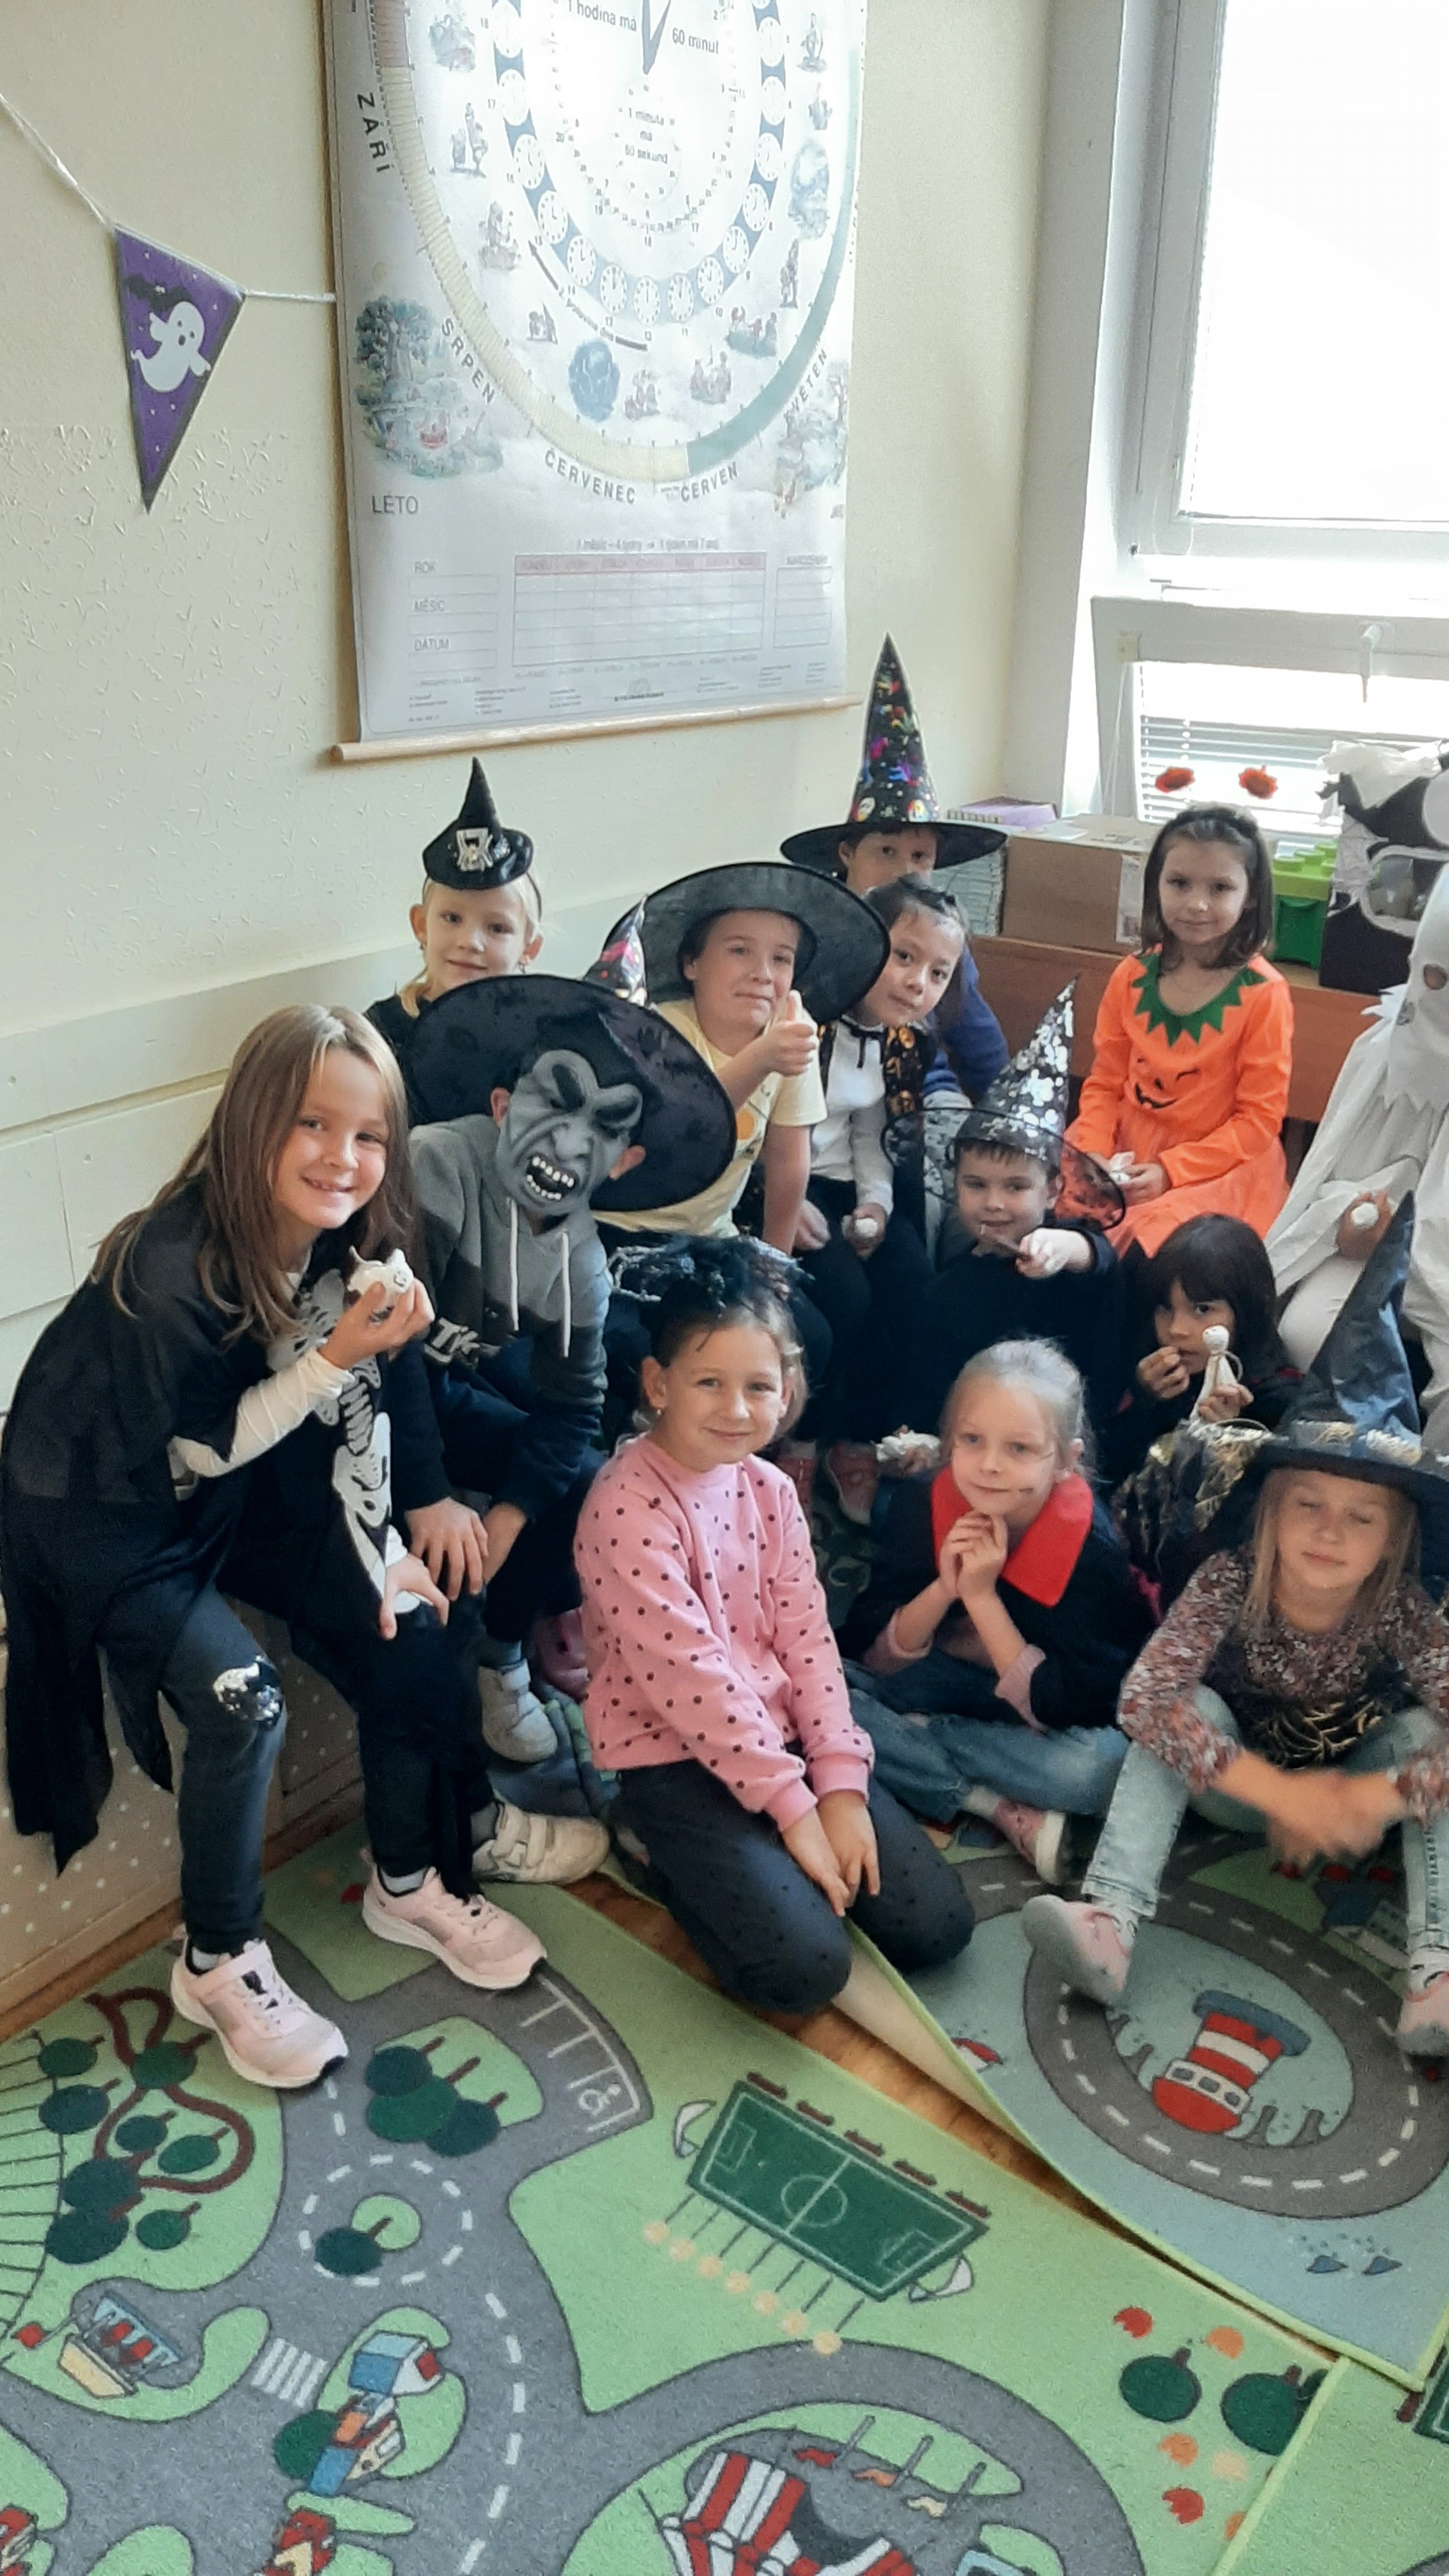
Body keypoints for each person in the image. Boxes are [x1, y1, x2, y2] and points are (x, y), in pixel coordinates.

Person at [0, 1007, 606, 2093]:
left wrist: (391, 1537)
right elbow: (204, 1443)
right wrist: (332, 1358)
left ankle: (408, 1878)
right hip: (107, 1503)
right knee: (245, 1699)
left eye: (369, 1134)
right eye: (311, 1123)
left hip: (235, 1483)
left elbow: (376, 1393)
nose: (342, 1156)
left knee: (417, 1609)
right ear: (249, 1122)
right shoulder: (167, 1264)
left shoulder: (355, 1234)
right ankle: (217, 1955)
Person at [1023, 1204, 1449, 2055]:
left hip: (1350, 1793)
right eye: (1308, 1507)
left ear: (1396, 1539)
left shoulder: (1400, 1605)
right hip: (1236, 1784)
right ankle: (1109, 1919)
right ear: (1269, 1513)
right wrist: (1282, 1796)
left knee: (1417, 1732)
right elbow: (1145, 1700)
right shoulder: (1230, 1576)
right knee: (1186, 1710)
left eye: (1361, 1518)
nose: (1329, 1534)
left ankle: (1436, 1968)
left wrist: (1366, 1798)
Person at [572, 1237, 973, 2015]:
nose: (736, 1409)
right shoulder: (624, 1507)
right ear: (657, 1384)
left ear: (786, 1389)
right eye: (709, 1383)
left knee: (935, 1926)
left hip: (776, 1732)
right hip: (673, 1755)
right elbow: (695, 1686)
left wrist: (840, 1783)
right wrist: (797, 1812)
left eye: (758, 1386)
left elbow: (808, 1642)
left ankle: (762, 1847)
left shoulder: (771, 1489)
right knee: (804, 1969)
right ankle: (654, 1848)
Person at [402, 972, 736, 1760]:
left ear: (625, 1161)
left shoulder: (581, 1263)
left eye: (606, 1127)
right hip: (352, 1402)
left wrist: (509, 1517)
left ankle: (502, 1653)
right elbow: (384, 1351)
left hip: (436, 1393)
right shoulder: (436, 1163)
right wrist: (426, 1494)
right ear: (501, 1105)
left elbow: (572, 1410)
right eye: (555, 1102)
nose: (570, 1142)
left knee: (590, 1478)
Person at [589, 860, 887, 1423]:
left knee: (806, 1334)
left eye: (782, 959)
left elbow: (789, 1162)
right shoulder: (658, 1031)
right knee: (632, 1346)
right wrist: (760, 1060)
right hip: (622, 1234)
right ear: (692, 963)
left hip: (712, 1238)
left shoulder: (787, 1038)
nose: (762, 973)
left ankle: (764, 1452)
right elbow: (672, 1139)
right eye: (739, 951)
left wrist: (773, 1267)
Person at [845, 1340, 1152, 1885]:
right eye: (971, 1440)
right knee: (810, 1687)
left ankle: (918, 1743)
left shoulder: (1090, 1548)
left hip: (1033, 1716)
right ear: (948, 1440)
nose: (989, 1466)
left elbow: (1071, 1702)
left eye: (1020, 1448)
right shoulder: (922, 1500)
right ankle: (993, 1802)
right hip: (938, 1676)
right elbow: (873, 1651)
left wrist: (983, 1598)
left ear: (1065, 1461)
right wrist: (946, 1588)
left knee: (1103, 1770)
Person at [790, 880, 965, 1490]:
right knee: (844, 1294)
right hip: (783, 1182)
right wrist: (787, 1201)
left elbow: (872, 1131)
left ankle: (865, 1437)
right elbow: (763, 1128)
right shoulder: (809, 1023)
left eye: (938, 973)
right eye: (905, 957)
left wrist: (876, 1205)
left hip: (847, 1184)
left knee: (914, 1283)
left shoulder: (904, 1041)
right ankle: (804, 1437)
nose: (918, 983)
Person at [780, 634, 1008, 1099]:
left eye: (920, 857)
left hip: (920, 1092)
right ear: (847, 853)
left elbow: (981, 1047)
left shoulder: (941, 938)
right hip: (820, 1098)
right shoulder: (810, 931)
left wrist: (1006, 1116)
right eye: (886, 852)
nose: (904, 871)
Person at [897, 986, 1128, 1442]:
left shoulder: (1071, 1259)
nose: (994, 1202)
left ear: (1053, 1190)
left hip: (1069, 1446)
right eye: (976, 1185)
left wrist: (1062, 1249)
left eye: (1016, 1187)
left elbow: (1098, 1259)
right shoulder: (945, 1294)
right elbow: (928, 1397)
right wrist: (920, 1442)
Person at [1269, 862, 1449, 1446]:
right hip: (1367, 1244)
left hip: (1432, 1266)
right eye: (1433, 977)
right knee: (1306, 1330)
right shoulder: (1383, 1049)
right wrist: (1351, 1225)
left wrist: (1403, 1252)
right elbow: (1328, 1170)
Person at [1067, 806, 1292, 1256]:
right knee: (1052, 1218)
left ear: (1250, 896)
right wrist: (1093, 1149)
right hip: (1123, 1147)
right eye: (1179, 883)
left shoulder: (1265, 993)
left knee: (1153, 1252)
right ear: (1157, 884)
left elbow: (1258, 1120)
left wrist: (1172, 1171)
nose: (1196, 904)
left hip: (1215, 1165)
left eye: (1220, 888)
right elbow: (1105, 1082)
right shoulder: (1130, 975)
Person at [368, 760, 543, 1120]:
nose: (470, 942)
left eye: (497, 928)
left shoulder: (539, 1038)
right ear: (421, 925)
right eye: (452, 919)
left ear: (530, 948)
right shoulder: (381, 1033)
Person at [1099, 1213, 1300, 1489]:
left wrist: (1232, 1441)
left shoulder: (1279, 1399)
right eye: (1165, 1308)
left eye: (1202, 1310)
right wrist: (1142, 1402)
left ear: (1247, 1310)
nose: (1177, 1329)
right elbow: (1105, 1475)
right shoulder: (1153, 1367)